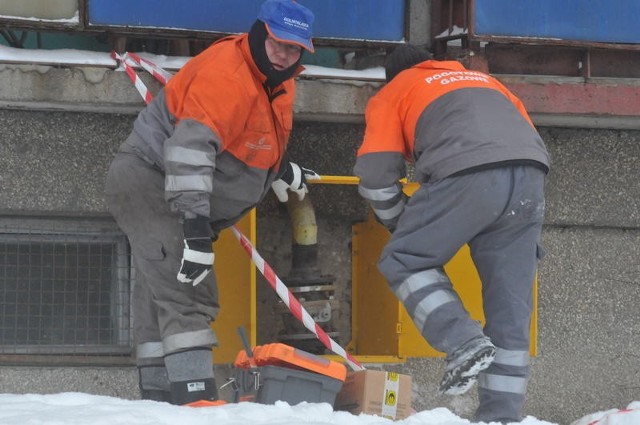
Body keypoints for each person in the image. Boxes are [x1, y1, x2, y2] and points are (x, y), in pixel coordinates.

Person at [105, 0, 318, 406]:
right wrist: (196, 233)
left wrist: (278, 169)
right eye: (277, 43)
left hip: (171, 190)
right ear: (260, 33)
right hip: (153, 183)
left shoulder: (278, 78)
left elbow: (248, 133)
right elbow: (189, 152)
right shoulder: (228, 74)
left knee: (161, 289)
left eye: (294, 49)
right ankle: (194, 397)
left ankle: (157, 398)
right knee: (190, 289)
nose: (284, 54)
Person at [353, 44, 550, 424]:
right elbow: (520, 137)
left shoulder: (396, 90)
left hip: (468, 172)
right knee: (510, 306)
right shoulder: (488, 82)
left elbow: (376, 176)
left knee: (403, 260)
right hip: (530, 177)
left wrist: (401, 226)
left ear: (391, 74)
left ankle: (462, 341)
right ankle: (500, 416)